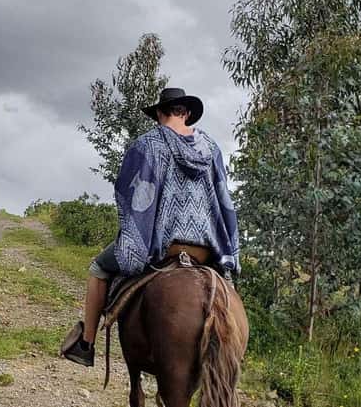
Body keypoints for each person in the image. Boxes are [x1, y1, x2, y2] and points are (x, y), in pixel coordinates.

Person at [60, 87, 241, 367]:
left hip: (164, 246)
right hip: (207, 250)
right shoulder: (211, 149)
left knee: (98, 268)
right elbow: (223, 198)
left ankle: (86, 344)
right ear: (187, 113)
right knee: (226, 294)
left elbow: (134, 197)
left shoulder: (147, 145)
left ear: (159, 113)